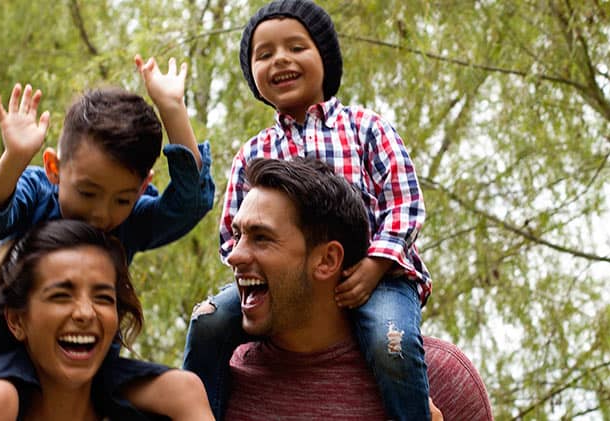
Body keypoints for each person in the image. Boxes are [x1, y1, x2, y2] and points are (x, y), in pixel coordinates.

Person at [184, 1, 434, 419]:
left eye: (296, 47)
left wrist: (374, 263)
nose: (279, 59)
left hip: (378, 275)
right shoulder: (255, 152)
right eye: (263, 55)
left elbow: (404, 204)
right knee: (207, 322)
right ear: (253, 77)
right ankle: (197, 411)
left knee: (393, 345)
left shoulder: (366, 128)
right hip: (285, 279)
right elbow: (231, 234)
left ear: (325, 58)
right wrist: (258, 269)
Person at [0, 55, 215, 419]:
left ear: (143, 188)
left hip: (90, 357)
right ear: (54, 168)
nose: (100, 213)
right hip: (8, 352)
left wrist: (172, 109)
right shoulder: (38, 191)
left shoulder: (130, 223)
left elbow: (189, 203)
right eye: (87, 192)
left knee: (184, 389)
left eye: (121, 199)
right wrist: (14, 158)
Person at [220, 157, 491, 420]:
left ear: (327, 260)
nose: (234, 255)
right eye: (236, 235)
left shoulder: (442, 381)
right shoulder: (217, 385)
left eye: (261, 238)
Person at [0, 220, 211, 420]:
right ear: (17, 321)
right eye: (61, 296)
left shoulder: (173, 398)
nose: (85, 313)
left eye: (103, 298)